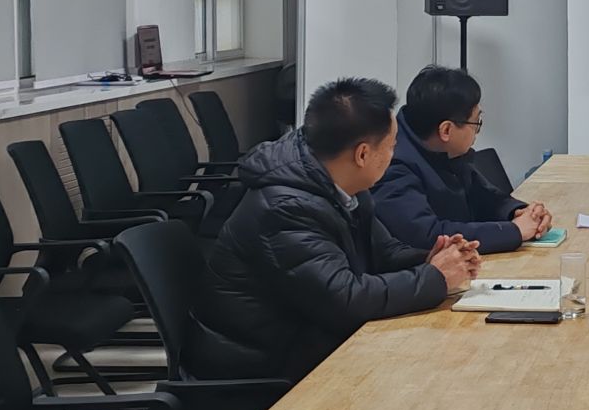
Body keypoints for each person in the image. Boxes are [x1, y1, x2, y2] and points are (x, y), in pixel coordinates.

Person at [193, 76, 481, 382]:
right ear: (362, 155)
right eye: (392, 146)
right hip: (261, 376)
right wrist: (434, 277)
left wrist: (432, 258)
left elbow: (384, 251)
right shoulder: (284, 209)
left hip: (310, 348)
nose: (394, 154)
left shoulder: (342, 183)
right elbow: (346, 300)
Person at [373, 65, 552, 254]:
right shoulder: (392, 166)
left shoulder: (441, 149)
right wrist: (514, 231)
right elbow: (427, 236)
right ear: (446, 130)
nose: (477, 131)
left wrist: (519, 212)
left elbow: (484, 197)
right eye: (476, 122)